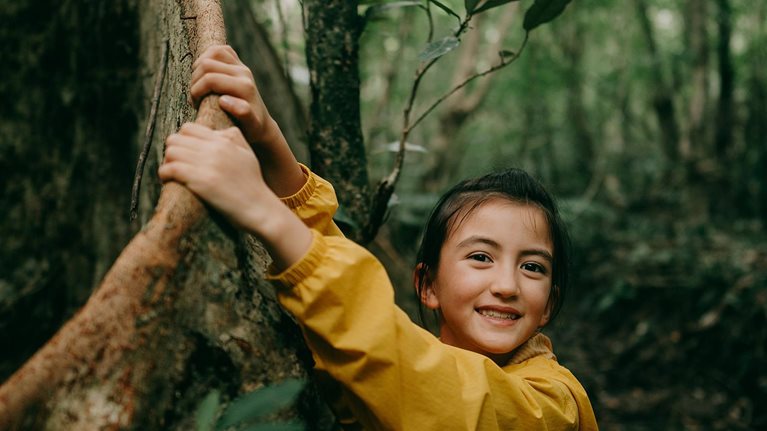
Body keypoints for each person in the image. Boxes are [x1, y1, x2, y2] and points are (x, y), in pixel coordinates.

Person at [159, 45, 599, 430]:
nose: (507, 285)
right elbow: (378, 347)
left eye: (533, 267)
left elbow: (447, 398)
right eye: (481, 257)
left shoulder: (555, 404)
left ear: (550, 306)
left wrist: (264, 212)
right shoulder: (403, 367)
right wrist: (268, 137)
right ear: (427, 286)